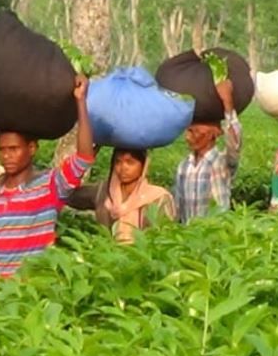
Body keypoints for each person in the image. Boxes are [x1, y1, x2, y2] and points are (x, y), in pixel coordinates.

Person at [0, 76, 95, 295]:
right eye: (2, 150)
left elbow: (84, 156)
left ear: (32, 148)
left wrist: (81, 102)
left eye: (14, 149)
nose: (7, 156)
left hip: (32, 291)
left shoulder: (50, 185)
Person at [173, 80, 241, 222]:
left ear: (214, 133)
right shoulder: (183, 166)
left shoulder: (221, 163)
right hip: (190, 237)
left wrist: (227, 103)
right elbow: (178, 208)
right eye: (188, 131)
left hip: (214, 235)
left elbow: (234, 144)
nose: (188, 137)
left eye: (195, 132)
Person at [95, 148, 174, 244]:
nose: (123, 167)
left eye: (130, 162)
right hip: (108, 255)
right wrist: (90, 153)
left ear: (143, 166)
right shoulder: (105, 192)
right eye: (118, 162)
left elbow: (166, 235)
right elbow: (71, 194)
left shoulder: (158, 197)